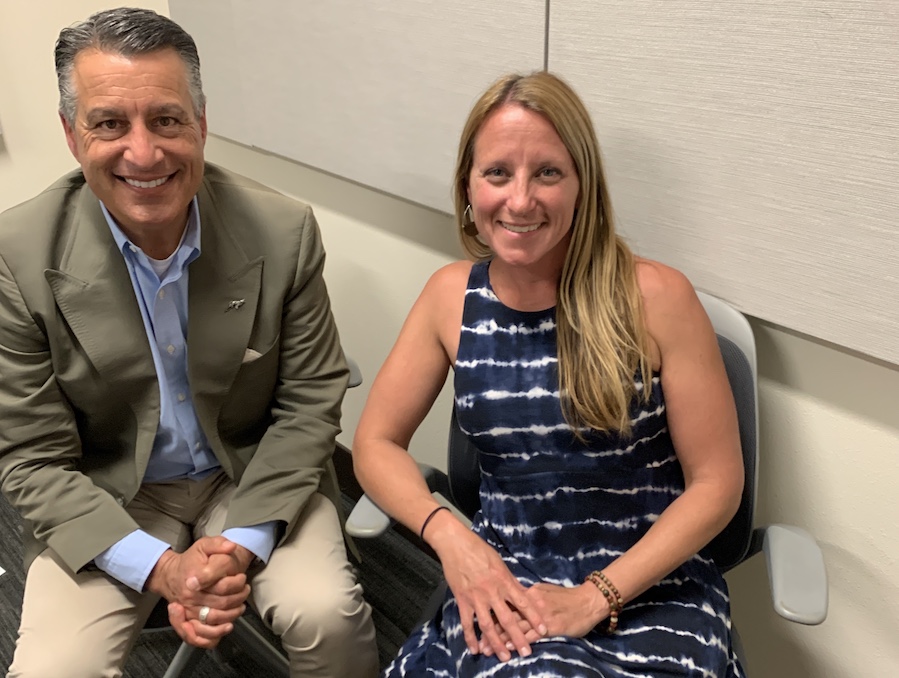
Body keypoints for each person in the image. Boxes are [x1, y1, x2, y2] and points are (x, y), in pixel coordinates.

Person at [0, 7, 377, 678]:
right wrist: (165, 570)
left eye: (167, 119)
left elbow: (311, 396)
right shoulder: (18, 256)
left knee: (326, 615)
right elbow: (32, 457)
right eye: (109, 122)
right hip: (109, 491)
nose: (143, 153)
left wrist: (238, 544)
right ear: (70, 133)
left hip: (252, 475)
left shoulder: (281, 231)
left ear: (201, 123)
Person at [353, 71, 746, 677]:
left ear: (583, 184)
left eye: (548, 173)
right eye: (497, 173)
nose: (519, 200)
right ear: (468, 186)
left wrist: (597, 596)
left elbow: (717, 483)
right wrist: (452, 540)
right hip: (505, 578)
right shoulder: (449, 297)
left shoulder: (656, 299)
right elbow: (375, 443)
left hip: (649, 586)